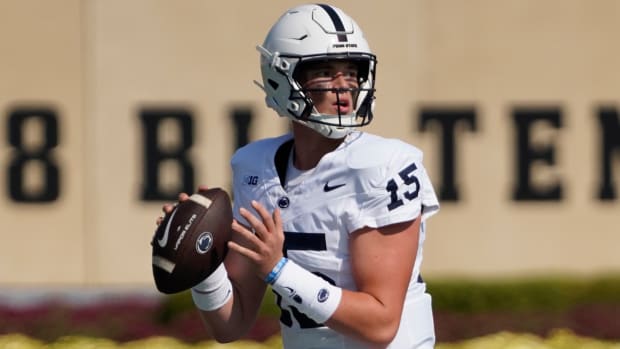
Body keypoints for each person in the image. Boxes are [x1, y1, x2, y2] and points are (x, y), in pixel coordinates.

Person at [161, 4, 440, 348]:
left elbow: (380, 323)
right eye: (325, 72)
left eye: (352, 72)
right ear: (282, 77)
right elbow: (230, 325)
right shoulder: (256, 169)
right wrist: (201, 264)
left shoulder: (382, 166)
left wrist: (278, 270)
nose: (345, 88)